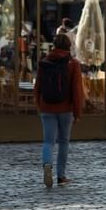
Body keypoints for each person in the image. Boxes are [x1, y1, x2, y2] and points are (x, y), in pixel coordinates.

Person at [35, 33, 85, 188]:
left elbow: (37, 87)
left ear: (54, 46)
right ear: (68, 47)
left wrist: (40, 106)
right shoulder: (73, 64)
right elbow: (77, 90)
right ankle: (61, 176)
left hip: (47, 107)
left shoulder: (44, 62)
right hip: (66, 109)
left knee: (48, 141)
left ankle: (47, 164)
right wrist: (77, 113)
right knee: (63, 142)